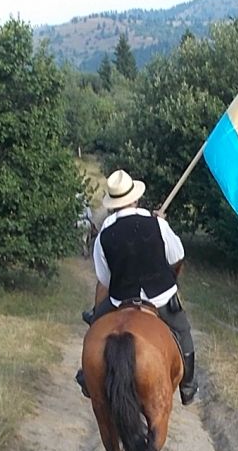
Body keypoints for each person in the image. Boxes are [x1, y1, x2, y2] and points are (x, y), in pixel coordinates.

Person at [76, 169, 197, 404]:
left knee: (94, 327)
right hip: (160, 297)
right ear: (135, 198)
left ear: (113, 203)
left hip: (122, 298)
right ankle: (189, 385)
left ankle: (87, 376)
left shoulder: (104, 234)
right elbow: (177, 254)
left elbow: (105, 277)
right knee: (182, 331)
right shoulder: (156, 224)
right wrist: (161, 226)